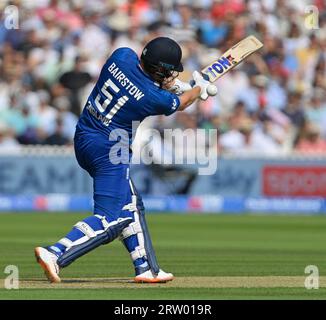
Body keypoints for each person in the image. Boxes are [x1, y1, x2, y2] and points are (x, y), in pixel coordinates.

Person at [34, 37, 215, 283]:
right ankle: (55, 253)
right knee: (112, 217)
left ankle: (146, 268)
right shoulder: (152, 98)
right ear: (159, 69)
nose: (172, 75)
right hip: (111, 149)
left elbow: (147, 85)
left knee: (130, 203)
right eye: (170, 71)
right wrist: (198, 89)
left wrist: (176, 85)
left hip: (85, 136)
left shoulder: (122, 55)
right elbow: (180, 103)